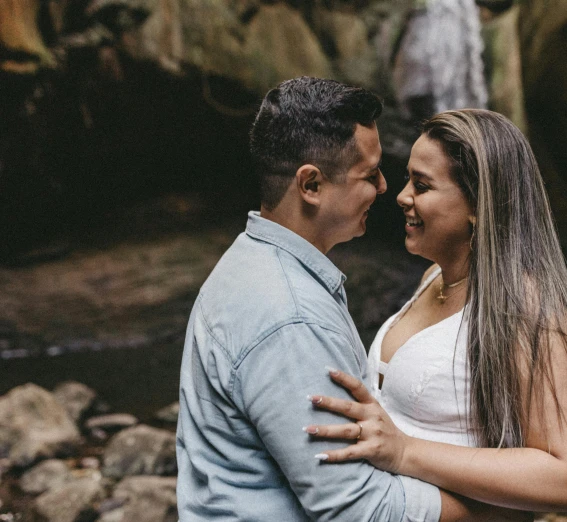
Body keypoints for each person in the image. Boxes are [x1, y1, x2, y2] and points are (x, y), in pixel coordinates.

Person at [176, 77, 512, 521]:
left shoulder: (250, 264)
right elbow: (357, 510)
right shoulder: (291, 318)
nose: (385, 187)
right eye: (369, 174)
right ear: (311, 185)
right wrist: (495, 514)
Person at [305, 109, 567, 517]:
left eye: (422, 185)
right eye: (409, 179)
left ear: (479, 205)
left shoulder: (528, 311)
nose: (402, 196)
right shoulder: (435, 277)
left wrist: (405, 451)